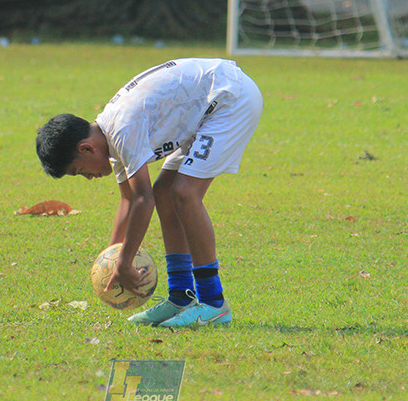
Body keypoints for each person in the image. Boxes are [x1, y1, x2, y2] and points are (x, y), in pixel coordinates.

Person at [36, 58, 263, 329]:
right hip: (209, 106)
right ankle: (182, 296)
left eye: (79, 171)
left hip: (230, 99)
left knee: (184, 193)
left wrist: (124, 262)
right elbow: (129, 200)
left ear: (87, 149)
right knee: (166, 192)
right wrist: (112, 258)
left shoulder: (122, 130)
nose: (88, 177)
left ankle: (214, 304)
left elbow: (144, 201)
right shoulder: (110, 134)